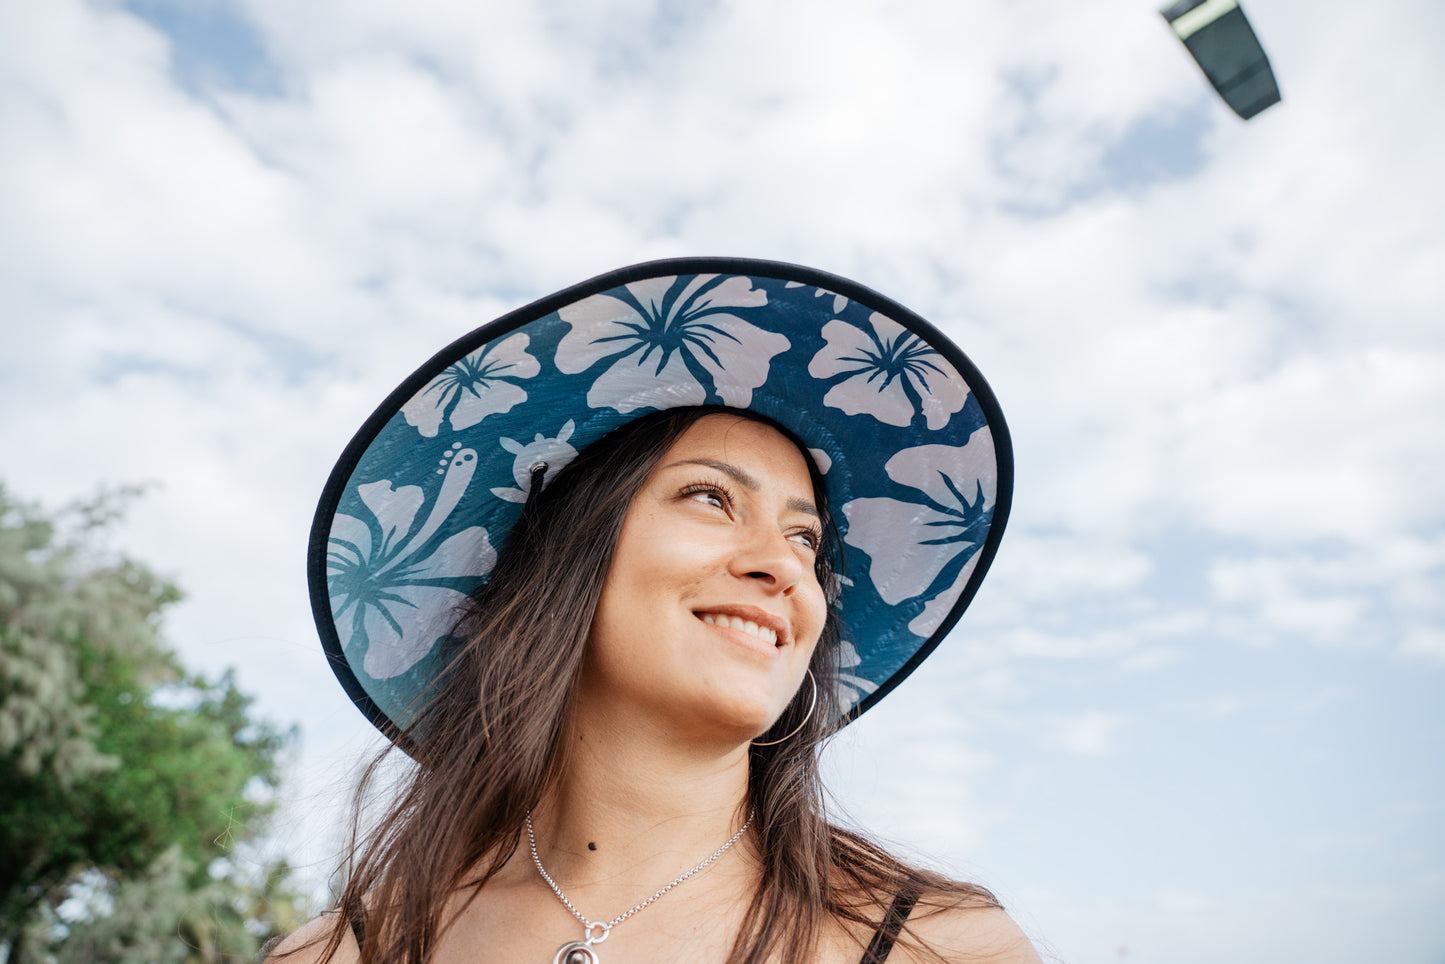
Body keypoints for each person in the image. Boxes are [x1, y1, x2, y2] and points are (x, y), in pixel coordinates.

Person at [272, 259, 1039, 963]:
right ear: (567, 555)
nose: (782, 567)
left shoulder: (942, 947)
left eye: (805, 538)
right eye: (711, 497)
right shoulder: (337, 953)